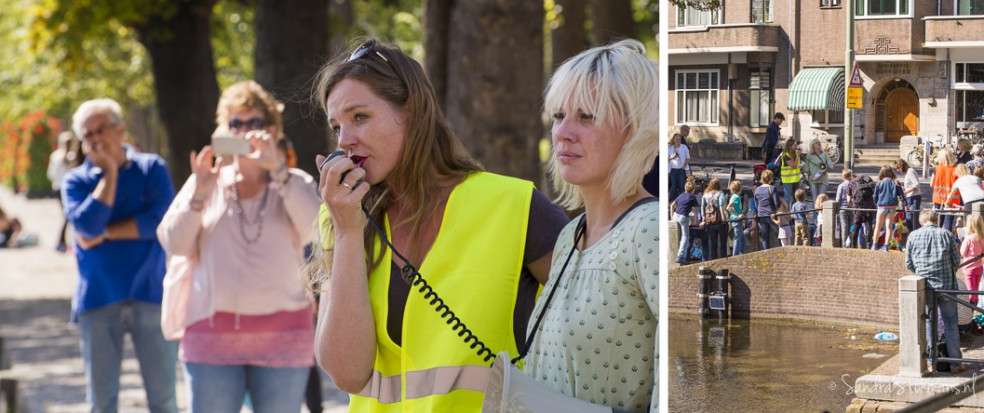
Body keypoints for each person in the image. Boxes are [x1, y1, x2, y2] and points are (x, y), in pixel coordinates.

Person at [305, 39, 568, 411]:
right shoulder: (343, 216)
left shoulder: (514, 206)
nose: (345, 141)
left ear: (411, 112)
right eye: (336, 126)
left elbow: (595, 327)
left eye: (359, 117)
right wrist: (347, 231)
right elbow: (347, 373)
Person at [157, 81, 321, 412]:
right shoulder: (206, 181)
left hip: (284, 336)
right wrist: (200, 193)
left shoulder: (294, 182)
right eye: (236, 124)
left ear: (273, 130)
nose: (245, 132)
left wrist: (278, 170)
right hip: (211, 337)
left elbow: (315, 230)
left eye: (254, 124)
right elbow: (174, 243)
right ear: (224, 130)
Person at [524, 38, 658, 412]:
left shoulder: (646, 231)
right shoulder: (570, 236)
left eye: (586, 116)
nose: (563, 132)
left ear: (634, 130)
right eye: (558, 116)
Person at [62, 98, 178, 412]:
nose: (95, 139)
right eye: (88, 135)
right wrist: (110, 174)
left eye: (101, 130)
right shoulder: (75, 180)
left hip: (150, 295)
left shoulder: (151, 167)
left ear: (120, 130)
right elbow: (87, 226)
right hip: (99, 299)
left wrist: (108, 233)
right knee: (102, 402)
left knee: (164, 400)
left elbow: (160, 222)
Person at [905, 209, 966, 373]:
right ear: (936, 220)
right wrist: (948, 272)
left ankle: (933, 362)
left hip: (926, 287)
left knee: (930, 324)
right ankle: (955, 364)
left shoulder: (912, 236)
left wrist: (921, 271)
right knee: (951, 324)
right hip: (946, 288)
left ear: (921, 222)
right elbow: (956, 260)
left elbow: (908, 263)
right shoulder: (946, 234)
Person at [49, 130, 81, 252]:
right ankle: (63, 241)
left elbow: (51, 174)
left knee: (67, 216)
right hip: (67, 189)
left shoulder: (55, 156)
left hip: (57, 188)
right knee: (68, 216)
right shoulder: (72, 156)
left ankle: (65, 241)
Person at [871, 166, 899, 251]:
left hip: (882, 206)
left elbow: (875, 195)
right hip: (892, 206)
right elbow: (901, 194)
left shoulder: (879, 183)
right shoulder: (895, 182)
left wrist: (876, 203)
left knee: (878, 227)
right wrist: (905, 204)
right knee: (889, 227)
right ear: (891, 172)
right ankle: (886, 246)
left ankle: (874, 245)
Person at [932, 148, 960, 232]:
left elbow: (932, 184)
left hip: (938, 199)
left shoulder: (937, 169)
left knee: (937, 223)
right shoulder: (955, 170)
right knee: (949, 223)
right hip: (952, 200)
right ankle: (947, 242)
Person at [672, 180, 700, 265]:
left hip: (676, 215)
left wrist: (671, 217)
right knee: (686, 238)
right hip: (684, 217)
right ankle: (680, 256)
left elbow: (672, 205)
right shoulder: (692, 197)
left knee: (683, 238)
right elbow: (695, 211)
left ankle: (687, 256)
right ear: (693, 189)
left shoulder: (681, 195)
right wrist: (695, 222)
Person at [701, 178, 727, 260]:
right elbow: (721, 206)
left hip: (710, 222)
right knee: (723, 243)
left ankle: (713, 260)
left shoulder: (705, 194)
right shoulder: (720, 193)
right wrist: (723, 218)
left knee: (713, 243)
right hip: (719, 221)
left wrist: (704, 218)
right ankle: (723, 260)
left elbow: (702, 207)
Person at [753, 169, 780, 250]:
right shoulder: (772, 188)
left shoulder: (757, 189)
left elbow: (756, 204)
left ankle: (766, 253)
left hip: (761, 215)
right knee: (779, 234)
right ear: (770, 178)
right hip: (771, 214)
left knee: (765, 237)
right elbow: (777, 203)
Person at [960, 214, 984, 294]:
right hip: (979, 266)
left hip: (969, 267)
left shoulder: (969, 238)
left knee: (971, 290)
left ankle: (972, 305)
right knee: (976, 290)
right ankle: (975, 305)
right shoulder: (982, 237)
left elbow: (963, 253)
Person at [896, 159, 922, 234]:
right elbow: (910, 185)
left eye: (898, 168)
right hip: (910, 197)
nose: (897, 170)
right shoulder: (908, 172)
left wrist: (905, 192)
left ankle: (916, 235)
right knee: (909, 219)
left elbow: (916, 185)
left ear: (902, 166)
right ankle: (912, 235)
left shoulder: (910, 171)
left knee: (912, 219)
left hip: (914, 197)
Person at [778, 137, 802, 207]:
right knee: (787, 197)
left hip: (796, 178)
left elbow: (797, 164)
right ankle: (786, 213)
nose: (796, 146)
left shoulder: (795, 153)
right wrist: (798, 156)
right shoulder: (786, 155)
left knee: (796, 197)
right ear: (790, 146)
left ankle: (794, 211)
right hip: (788, 179)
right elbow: (793, 166)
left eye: (796, 145)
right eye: (794, 145)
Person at [726, 180, 747, 256]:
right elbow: (728, 207)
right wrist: (738, 215)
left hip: (736, 219)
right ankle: (735, 256)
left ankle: (741, 253)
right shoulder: (736, 197)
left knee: (743, 239)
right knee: (737, 238)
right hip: (737, 219)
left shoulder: (734, 196)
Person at [668, 133, 689, 200]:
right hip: (672, 170)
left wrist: (684, 166)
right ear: (673, 140)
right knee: (674, 186)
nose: (677, 140)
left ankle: (683, 200)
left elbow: (688, 158)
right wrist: (672, 157)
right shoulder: (670, 148)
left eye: (679, 139)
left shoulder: (684, 147)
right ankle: (673, 201)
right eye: (676, 139)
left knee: (682, 185)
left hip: (681, 169)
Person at [837, 169, 854, 247]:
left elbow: (838, 199)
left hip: (843, 209)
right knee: (851, 227)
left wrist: (837, 209)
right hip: (851, 208)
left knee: (844, 228)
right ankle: (850, 244)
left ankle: (844, 245)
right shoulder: (854, 185)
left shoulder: (841, 186)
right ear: (851, 175)